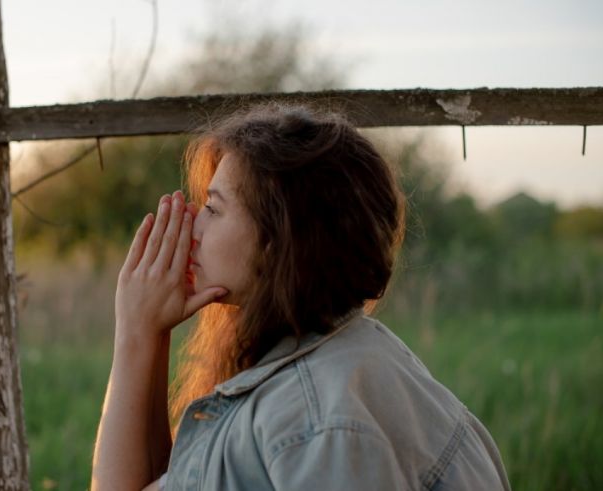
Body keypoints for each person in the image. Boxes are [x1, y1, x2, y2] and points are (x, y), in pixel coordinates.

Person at [91, 103, 511, 490]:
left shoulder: (316, 422)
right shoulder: (351, 358)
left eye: (214, 209)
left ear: (280, 241)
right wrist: (145, 332)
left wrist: (133, 333)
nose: (193, 227)